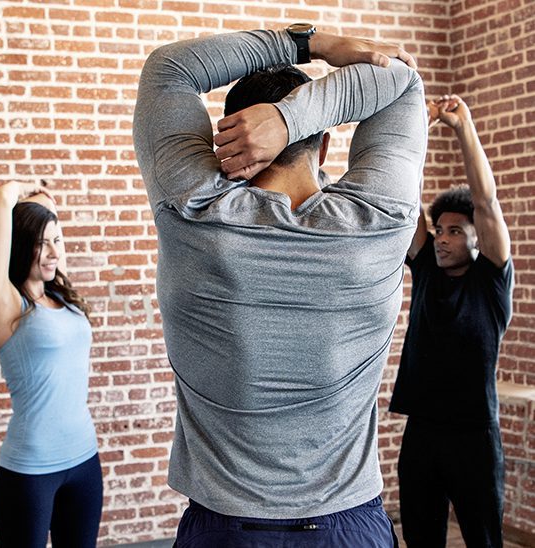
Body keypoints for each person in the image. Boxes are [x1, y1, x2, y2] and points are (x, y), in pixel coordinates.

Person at [133, 26, 427, 546]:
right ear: (328, 140)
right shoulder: (381, 220)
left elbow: (168, 69)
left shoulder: (191, 208)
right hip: (348, 525)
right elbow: (402, 81)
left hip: (224, 528)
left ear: (226, 142)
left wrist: (307, 43)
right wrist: (291, 119)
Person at [389, 95, 513, 547]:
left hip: (475, 437)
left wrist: (463, 129)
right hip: (423, 430)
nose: (441, 238)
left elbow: (486, 199)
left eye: (455, 231)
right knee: (421, 539)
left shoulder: (490, 281)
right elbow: (404, 197)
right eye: (439, 230)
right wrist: (414, 130)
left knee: (483, 539)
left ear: (478, 239)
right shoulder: (425, 269)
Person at [0, 181, 103, 547]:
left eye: (58, 240)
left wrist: (46, 210)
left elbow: (49, 223)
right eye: (42, 243)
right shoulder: (6, 306)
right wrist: (22, 190)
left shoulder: (59, 293)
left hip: (84, 459)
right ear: (22, 245)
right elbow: (3, 199)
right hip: (29, 472)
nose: (54, 252)